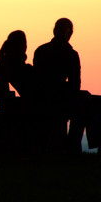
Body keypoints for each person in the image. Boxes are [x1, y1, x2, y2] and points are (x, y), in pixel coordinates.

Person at [33, 18, 83, 154]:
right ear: (70, 34)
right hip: (60, 100)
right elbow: (74, 85)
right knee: (86, 105)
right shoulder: (71, 54)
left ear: (54, 31)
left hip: (40, 99)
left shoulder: (40, 51)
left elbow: (39, 79)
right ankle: (72, 148)